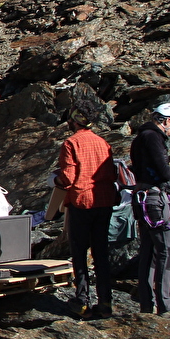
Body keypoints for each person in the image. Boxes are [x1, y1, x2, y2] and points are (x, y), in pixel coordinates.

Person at [129, 103, 170, 321]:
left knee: (148, 251)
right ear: (165, 120)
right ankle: (166, 305)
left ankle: (148, 306)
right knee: (167, 250)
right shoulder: (153, 137)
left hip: (142, 197)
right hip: (155, 200)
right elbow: (162, 169)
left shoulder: (141, 137)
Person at [57, 107, 120, 319]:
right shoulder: (103, 142)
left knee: (80, 251)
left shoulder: (71, 143)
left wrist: (55, 181)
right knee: (101, 252)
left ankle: (82, 300)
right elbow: (112, 172)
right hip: (104, 200)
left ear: (74, 122)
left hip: (82, 202)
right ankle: (105, 302)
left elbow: (68, 177)